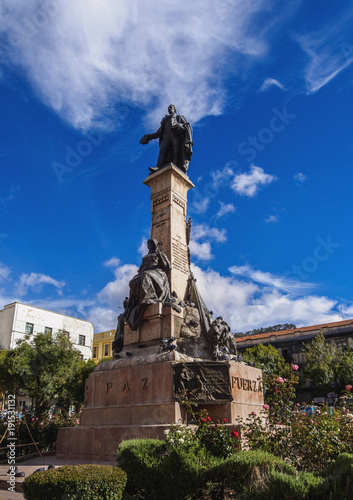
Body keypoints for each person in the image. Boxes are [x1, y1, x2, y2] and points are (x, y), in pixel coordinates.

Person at [125, 238, 171, 330]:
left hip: (158, 273)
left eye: (151, 244)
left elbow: (167, 266)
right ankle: (141, 299)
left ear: (154, 244)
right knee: (133, 281)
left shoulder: (160, 254)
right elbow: (140, 269)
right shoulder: (146, 256)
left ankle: (151, 297)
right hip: (146, 272)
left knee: (146, 276)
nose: (149, 245)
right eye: (148, 244)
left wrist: (160, 256)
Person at [140, 104, 193, 174]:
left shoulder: (179, 117)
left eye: (171, 107)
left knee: (176, 151)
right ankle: (158, 167)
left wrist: (180, 126)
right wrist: (148, 137)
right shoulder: (165, 120)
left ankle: (175, 167)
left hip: (175, 136)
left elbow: (186, 126)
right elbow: (158, 133)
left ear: (175, 109)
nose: (169, 109)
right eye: (168, 108)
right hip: (166, 136)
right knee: (162, 150)